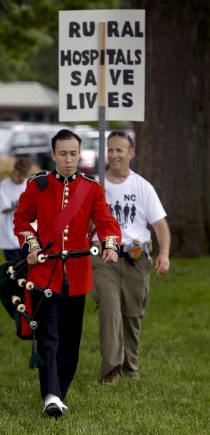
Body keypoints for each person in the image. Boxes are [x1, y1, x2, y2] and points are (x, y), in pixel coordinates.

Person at [13, 129, 121, 417]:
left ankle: (59, 394)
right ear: (53, 155)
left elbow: (106, 223)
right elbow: (22, 219)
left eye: (74, 153)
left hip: (76, 274)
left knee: (70, 340)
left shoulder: (91, 187)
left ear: (79, 153)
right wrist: (32, 245)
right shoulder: (38, 185)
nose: (69, 159)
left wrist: (110, 245)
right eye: (63, 154)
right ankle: (50, 395)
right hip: (43, 273)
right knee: (48, 335)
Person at [91, 131, 170, 386]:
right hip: (104, 258)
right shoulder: (95, 185)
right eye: (110, 150)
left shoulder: (142, 186)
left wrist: (164, 254)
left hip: (137, 257)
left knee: (133, 314)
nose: (113, 155)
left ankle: (130, 367)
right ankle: (111, 371)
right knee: (110, 309)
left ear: (130, 154)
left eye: (119, 150)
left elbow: (160, 225)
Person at [0, 157, 33, 261]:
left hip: (25, 234)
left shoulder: (29, 185)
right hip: (9, 234)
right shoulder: (5, 185)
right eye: (19, 175)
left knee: (27, 268)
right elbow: (5, 209)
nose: (21, 178)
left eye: (23, 175)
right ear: (14, 171)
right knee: (15, 268)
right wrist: (19, 205)